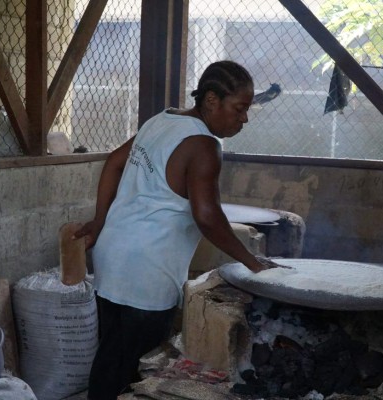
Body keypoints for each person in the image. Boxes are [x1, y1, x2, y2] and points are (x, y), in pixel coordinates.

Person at [75, 60, 284, 400]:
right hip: (147, 270)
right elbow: (207, 215)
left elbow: (114, 160)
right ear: (212, 100)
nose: (244, 119)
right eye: (240, 109)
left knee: (113, 355)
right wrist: (253, 261)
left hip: (113, 254)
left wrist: (100, 222)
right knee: (131, 367)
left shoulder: (164, 119)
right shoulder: (204, 145)